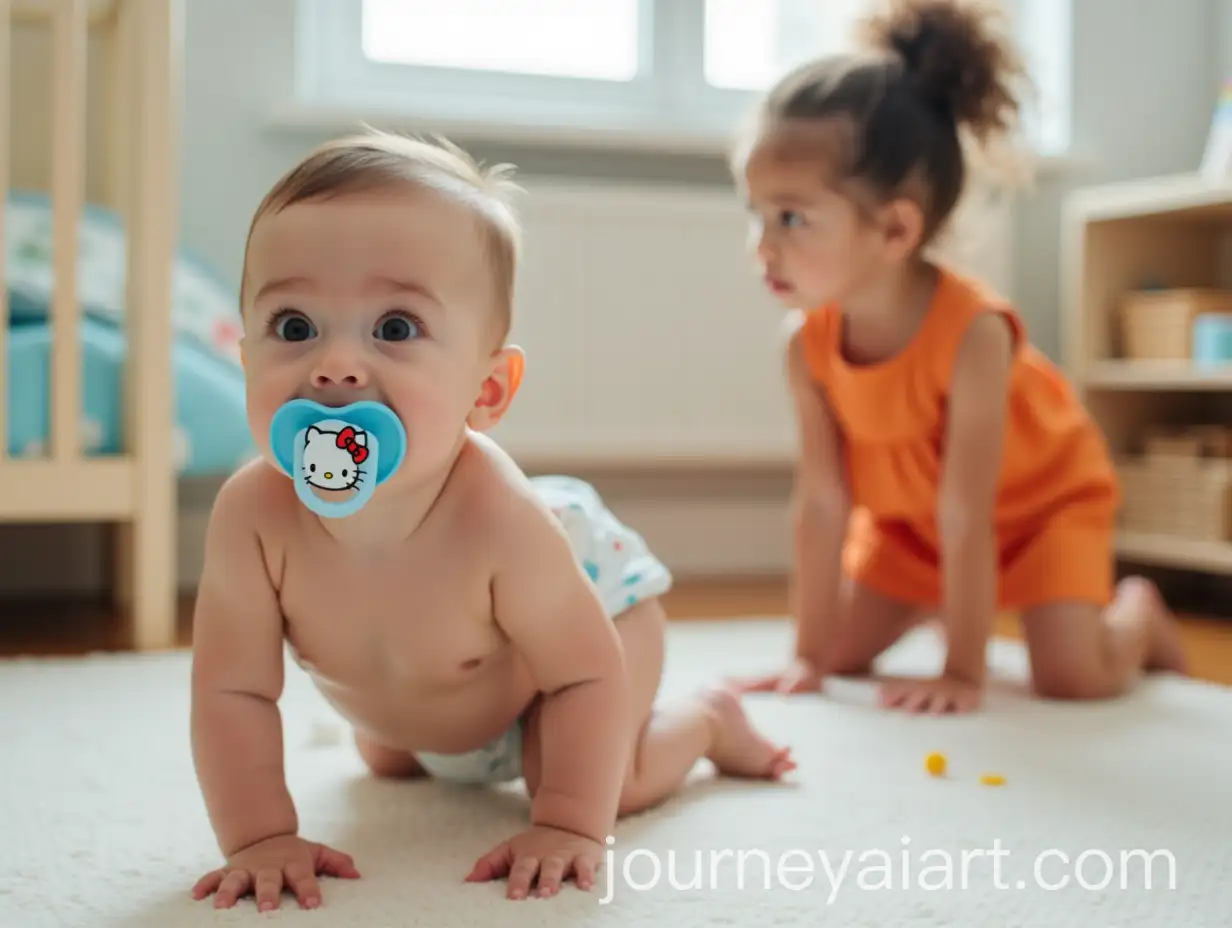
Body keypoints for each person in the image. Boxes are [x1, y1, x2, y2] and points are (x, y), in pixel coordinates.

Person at [188, 131, 795, 913]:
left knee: (597, 781)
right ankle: (425, 736)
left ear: (488, 391)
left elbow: (584, 674)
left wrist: (568, 824)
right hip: (431, 704)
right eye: (295, 326)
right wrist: (259, 837)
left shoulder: (499, 518)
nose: (334, 364)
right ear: (246, 360)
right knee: (390, 759)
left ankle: (707, 720)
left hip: (582, 637)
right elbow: (231, 690)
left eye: (394, 328)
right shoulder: (252, 516)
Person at [727, 0, 1188, 713]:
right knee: (842, 653)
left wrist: (963, 671)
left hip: (1039, 514)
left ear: (895, 229)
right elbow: (820, 504)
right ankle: (934, 601)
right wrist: (808, 655)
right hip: (913, 530)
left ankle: (1138, 615)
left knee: (1074, 678)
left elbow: (968, 510)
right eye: (754, 214)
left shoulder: (976, 334)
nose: (762, 246)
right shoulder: (805, 347)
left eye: (790, 218)